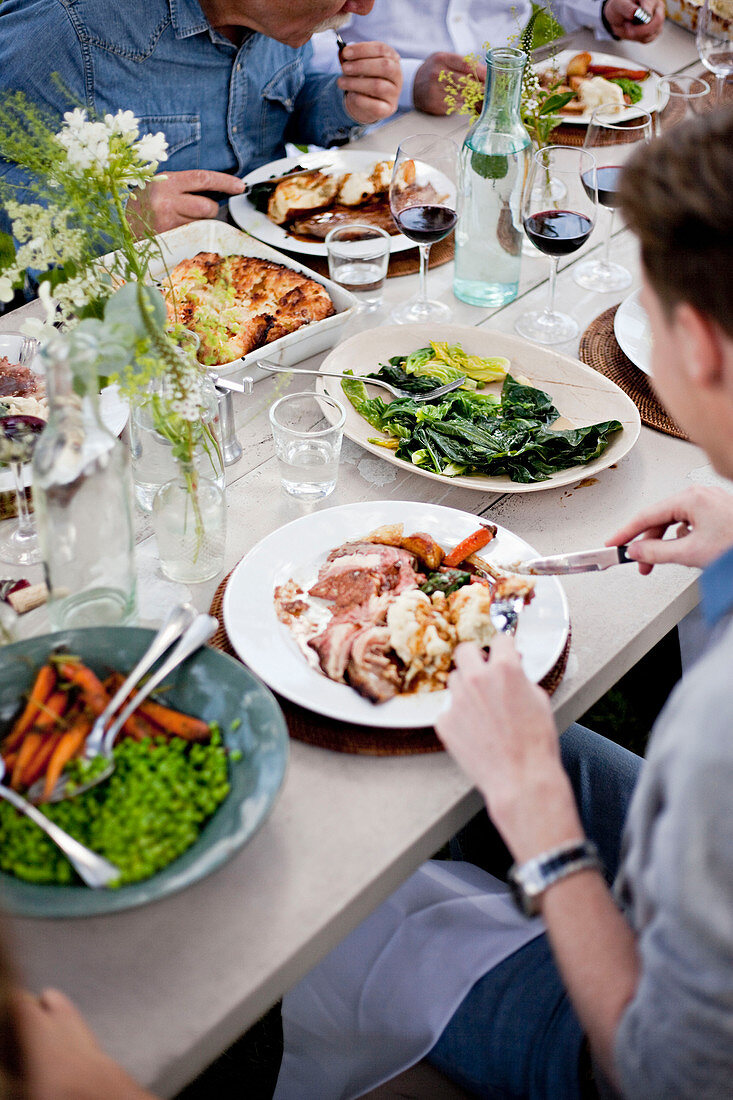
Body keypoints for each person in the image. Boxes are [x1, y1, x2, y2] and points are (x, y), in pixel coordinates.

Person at [274, 107, 733, 1099]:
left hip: (636, 1047)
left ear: (694, 346)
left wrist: (537, 811)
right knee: (501, 747)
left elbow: (657, 1074)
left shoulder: (714, 728)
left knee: (326, 916)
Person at [0, 0, 402, 234]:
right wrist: (111, 212)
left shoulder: (282, 21)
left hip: (267, 277)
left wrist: (342, 103)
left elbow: (283, 103)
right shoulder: (64, 27)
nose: (363, 7)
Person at [309, 0, 665, 116]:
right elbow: (301, 39)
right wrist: (408, 82)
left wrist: (603, 8)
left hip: (526, 100)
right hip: (392, 123)